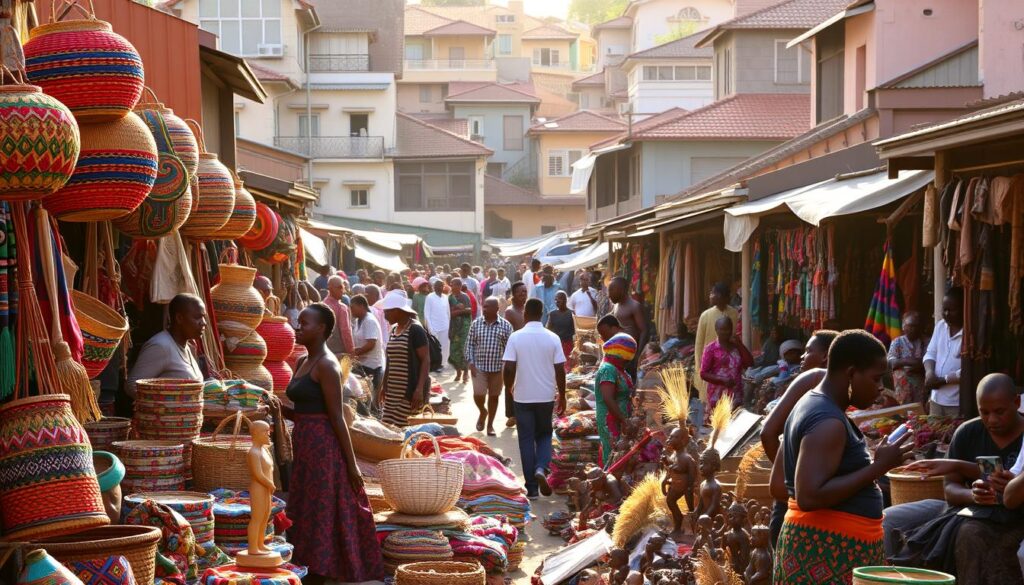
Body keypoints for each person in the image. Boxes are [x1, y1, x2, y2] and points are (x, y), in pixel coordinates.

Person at [773, 330, 913, 584]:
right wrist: (878, 467)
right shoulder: (827, 421)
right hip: (826, 552)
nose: (881, 388)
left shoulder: (814, 404)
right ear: (850, 373)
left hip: (824, 549)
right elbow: (809, 495)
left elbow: (781, 482)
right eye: (876, 378)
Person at [885, 374, 1024, 584]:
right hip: (968, 510)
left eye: (999, 412)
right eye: (984, 412)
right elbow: (950, 489)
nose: (992, 420)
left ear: (1016, 403)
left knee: (969, 533)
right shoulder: (968, 432)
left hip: (1009, 516)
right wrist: (974, 495)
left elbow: (1013, 490)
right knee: (889, 519)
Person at [284, 303, 383, 583]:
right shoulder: (302, 362)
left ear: (323, 329)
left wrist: (352, 466)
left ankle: (319, 570)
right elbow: (303, 408)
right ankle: (304, 565)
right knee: (303, 506)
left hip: (323, 448)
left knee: (320, 510)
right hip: (303, 443)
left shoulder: (327, 365)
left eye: (305, 323)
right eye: (298, 322)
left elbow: (337, 418)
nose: (298, 327)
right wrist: (279, 409)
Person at [760, 329, 839, 544]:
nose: (803, 357)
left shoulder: (825, 389)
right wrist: (791, 474)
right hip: (794, 508)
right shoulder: (810, 381)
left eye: (808, 351)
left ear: (825, 356)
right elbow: (767, 433)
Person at [503, 298, 567, 499]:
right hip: (545, 395)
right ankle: (541, 468)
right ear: (542, 314)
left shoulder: (516, 337)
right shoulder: (553, 338)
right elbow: (560, 370)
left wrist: (509, 388)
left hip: (523, 396)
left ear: (525, 314)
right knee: (545, 435)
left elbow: (509, 368)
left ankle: (531, 487)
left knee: (526, 439)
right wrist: (563, 395)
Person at [127, 293, 206, 397]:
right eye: (197, 317)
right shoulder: (161, 346)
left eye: (204, 317)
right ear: (179, 318)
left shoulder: (188, 347)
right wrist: (169, 402)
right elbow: (132, 386)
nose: (203, 323)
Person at [378, 292, 431, 427]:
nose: (385, 316)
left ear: (397, 311)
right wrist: (384, 385)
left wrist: (419, 390)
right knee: (387, 427)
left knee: (403, 430)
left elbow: (425, 360)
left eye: (387, 312)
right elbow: (390, 360)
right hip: (392, 391)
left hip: (408, 392)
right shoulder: (394, 329)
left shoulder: (415, 330)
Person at [693, 282, 740, 425]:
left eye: (714, 293)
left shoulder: (733, 313)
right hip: (709, 364)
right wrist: (699, 365)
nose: (711, 296)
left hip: (728, 365)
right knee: (709, 400)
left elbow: (736, 336)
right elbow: (699, 343)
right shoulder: (705, 316)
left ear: (724, 297)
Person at [466, 297, 513, 436]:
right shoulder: (476, 324)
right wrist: (471, 362)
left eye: (487, 307)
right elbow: (470, 344)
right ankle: (482, 411)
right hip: (479, 366)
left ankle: (490, 425)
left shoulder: (505, 326)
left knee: (494, 397)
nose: (484, 309)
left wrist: (507, 367)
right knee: (478, 394)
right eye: (483, 306)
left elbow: (509, 349)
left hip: (498, 369)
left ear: (496, 309)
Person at [594, 333, 636, 466]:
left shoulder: (620, 369)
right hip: (610, 419)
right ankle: (607, 482)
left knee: (620, 454)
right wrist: (624, 420)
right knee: (612, 453)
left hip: (620, 419)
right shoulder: (608, 369)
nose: (627, 362)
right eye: (625, 359)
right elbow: (608, 398)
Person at [924, 287, 964, 417]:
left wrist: (944, 380)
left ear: (963, 309)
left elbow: (968, 370)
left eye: (951, 310)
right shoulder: (940, 326)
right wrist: (929, 373)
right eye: (944, 309)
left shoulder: (970, 335)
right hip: (936, 399)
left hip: (956, 403)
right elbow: (931, 352)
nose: (946, 314)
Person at [699, 316, 754, 409]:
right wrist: (722, 380)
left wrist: (740, 344)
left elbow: (750, 363)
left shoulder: (737, 347)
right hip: (717, 395)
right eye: (722, 329)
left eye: (728, 329)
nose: (726, 332)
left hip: (736, 394)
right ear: (716, 330)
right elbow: (703, 373)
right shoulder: (710, 349)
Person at [888, 311, 929, 407]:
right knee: (903, 415)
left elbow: (928, 362)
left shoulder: (927, 341)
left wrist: (903, 363)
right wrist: (909, 361)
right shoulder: (897, 342)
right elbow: (891, 362)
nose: (913, 329)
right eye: (910, 326)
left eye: (916, 326)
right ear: (903, 326)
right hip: (902, 392)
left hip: (921, 390)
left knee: (921, 415)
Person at [349, 294, 385, 401]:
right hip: (362, 363)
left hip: (371, 366)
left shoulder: (369, 320)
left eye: (352, 307)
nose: (351, 310)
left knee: (369, 397)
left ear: (362, 306)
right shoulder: (358, 321)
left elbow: (371, 344)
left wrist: (354, 353)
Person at [609, 276, 648, 352]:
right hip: (619, 350)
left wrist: (638, 354)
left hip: (630, 352)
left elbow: (644, 331)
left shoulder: (634, 306)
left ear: (621, 290)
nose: (609, 295)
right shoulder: (616, 305)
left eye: (611, 290)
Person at [448, 277, 473, 383]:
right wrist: (459, 310)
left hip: (464, 327)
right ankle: (458, 372)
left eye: (453, 284)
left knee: (464, 350)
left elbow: (469, 310)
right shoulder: (449, 298)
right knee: (454, 351)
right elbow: (449, 313)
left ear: (459, 286)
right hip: (454, 328)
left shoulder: (464, 296)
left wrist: (456, 311)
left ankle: (466, 373)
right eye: (451, 284)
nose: (452, 286)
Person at [323, 276, 354, 357]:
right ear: (330, 288)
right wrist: (351, 352)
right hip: (339, 353)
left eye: (343, 287)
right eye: (340, 287)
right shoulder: (341, 308)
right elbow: (346, 331)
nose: (342, 290)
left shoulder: (321, 305)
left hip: (323, 353)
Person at [423, 279, 451, 370]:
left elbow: (448, 312)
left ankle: (443, 363)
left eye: (441, 285)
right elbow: (426, 313)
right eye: (437, 285)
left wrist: (449, 325)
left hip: (445, 326)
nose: (439, 287)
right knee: (435, 348)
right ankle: (436, 365)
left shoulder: (445, 297)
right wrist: (430, 327)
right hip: (434, 327)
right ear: (434, 287)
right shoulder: (430, 297)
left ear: (443, 287)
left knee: (445, 346)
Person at [547, 290, 576, 373]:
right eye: (555, 299)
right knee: (557, 367)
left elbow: (575, 331)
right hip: (556, 345)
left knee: (567, 369)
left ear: (565, 300)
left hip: (568, 345)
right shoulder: (552, 314)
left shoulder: (571, 313)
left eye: (559, 299)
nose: (557, 301)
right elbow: (548, 330)